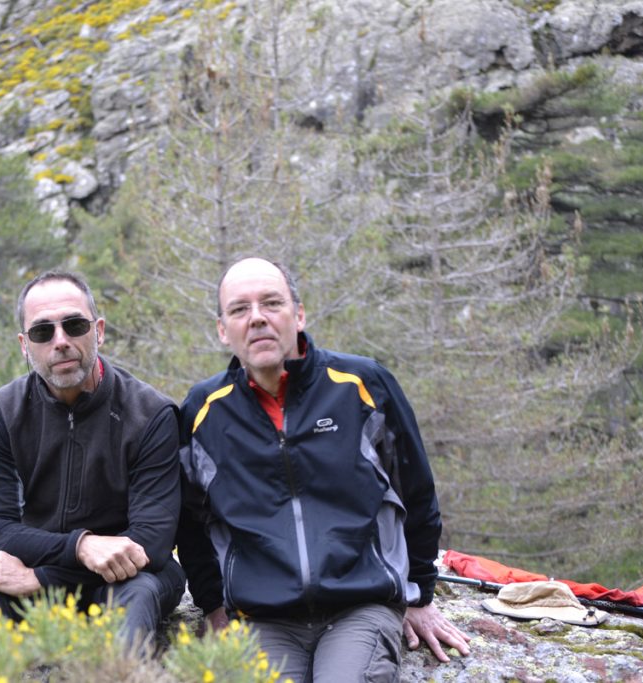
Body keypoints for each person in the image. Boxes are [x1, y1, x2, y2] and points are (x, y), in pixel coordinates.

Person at [177, 257, 471, 682]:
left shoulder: (362, 385)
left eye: (271, 303)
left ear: (299, 314)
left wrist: (420, 594)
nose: (257, 318)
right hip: (262, 620)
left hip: (360, 607)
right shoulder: (203, 411)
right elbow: (191, 520)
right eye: (240, 309)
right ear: (223, 330)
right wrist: (213, 605)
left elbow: (417, 493)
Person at [0, 270, 185, 647]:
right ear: (24, 344)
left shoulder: (151, 413)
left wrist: (42, 580)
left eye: (74, 325)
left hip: (126, 579)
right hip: (42, 562)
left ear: (99, 330)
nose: (60, 341)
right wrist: (80, 547)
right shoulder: (3, 412)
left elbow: (151, 541)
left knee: (140, 590)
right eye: (42, 332)